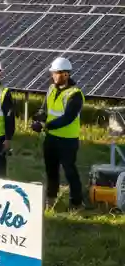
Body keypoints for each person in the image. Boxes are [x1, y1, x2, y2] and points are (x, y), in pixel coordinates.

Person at [31, 56, 85, 209]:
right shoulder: (51, 89)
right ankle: (51, 199)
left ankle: (76, 203)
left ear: (66, 74)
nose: (54, 76)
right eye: (53, 73)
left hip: (68, 140)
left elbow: (68, 118)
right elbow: (44, 109)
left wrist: (46, 126)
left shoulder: (75, 94)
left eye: (57, 73)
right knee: (51, 170)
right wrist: (38, 119)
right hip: (51, 138)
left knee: (69, 171)